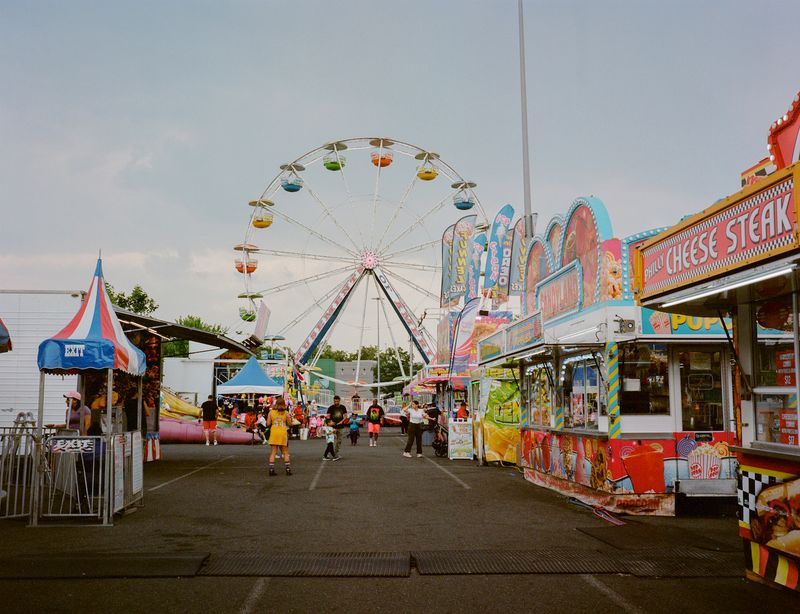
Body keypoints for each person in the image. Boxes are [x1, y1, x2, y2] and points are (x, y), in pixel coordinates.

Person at [266, 397, 293, 475]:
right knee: (285, 452)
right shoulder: (286, 413)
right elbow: (290, 424)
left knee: (273, 452)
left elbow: (268, 424)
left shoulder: (271, 412)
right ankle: (288, 469)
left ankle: (271, 469)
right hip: (282, 433)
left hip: (274, 432)